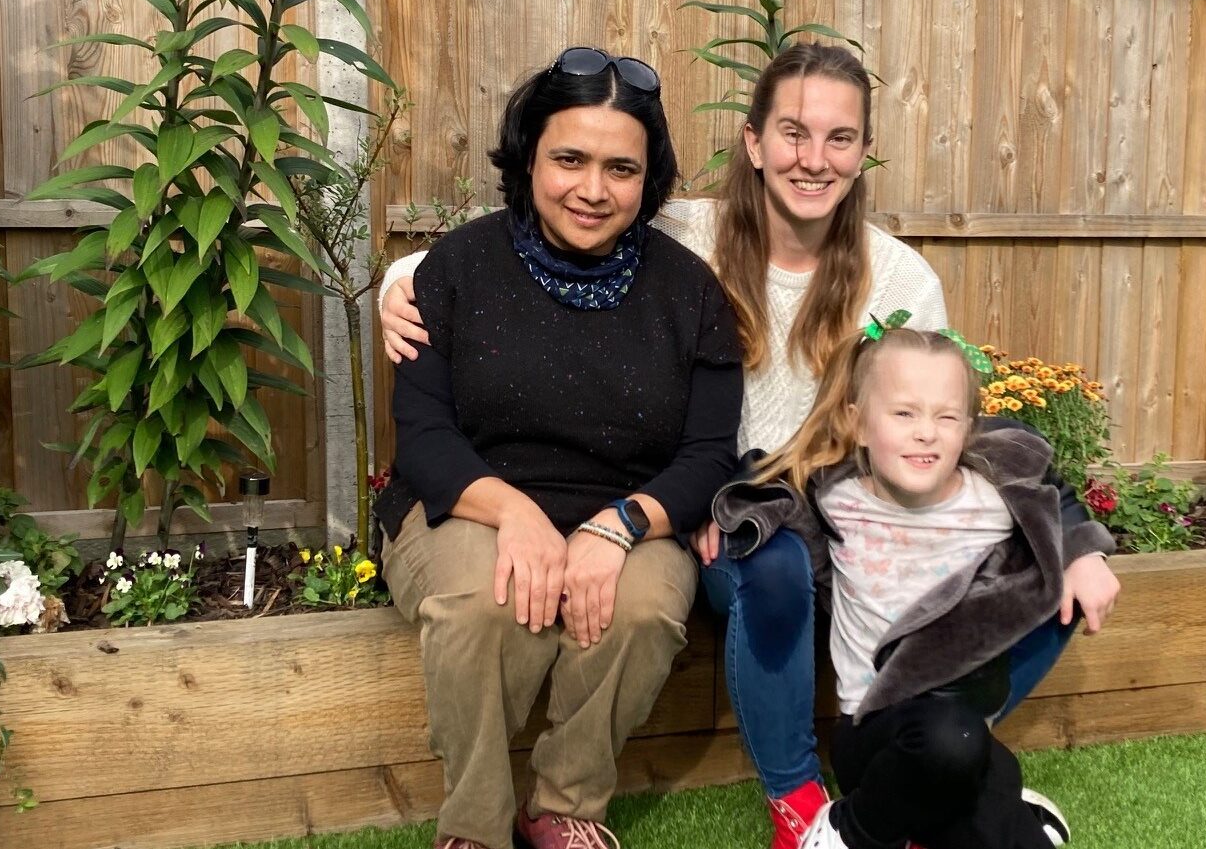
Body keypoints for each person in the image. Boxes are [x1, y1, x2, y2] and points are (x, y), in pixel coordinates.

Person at [378, 43, 1119, 849]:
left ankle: (925, 762)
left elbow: (943, 419)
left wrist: (1072, 533)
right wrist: (398, 281)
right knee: (756, 567)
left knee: (1033, 573)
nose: (814, 159)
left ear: (865, 150)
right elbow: (508, 255)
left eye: (840, 138)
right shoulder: (684, 233)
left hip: (793, 507)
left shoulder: (879, 281)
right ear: (753, 141)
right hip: (725, 516)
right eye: (794, 133)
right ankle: (787, 794)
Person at [374, 46, 743, 849]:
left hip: (631, 511)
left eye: (621, 168)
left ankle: (563, 807)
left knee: (641, 608)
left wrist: (617, 526)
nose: (592, 188)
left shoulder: (690, 293)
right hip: (466, 501)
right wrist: (518, 515)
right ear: (528, 157)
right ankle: (473, 824)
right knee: (482, 602)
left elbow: (711, 454)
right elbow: (426, 440)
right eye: (569, 159)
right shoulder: (458, 269)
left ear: (649, 180)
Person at [718, 324, 1118, 849]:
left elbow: (1049, 488)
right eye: (904, 414)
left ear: (969, 429)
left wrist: (1083, 551)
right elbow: (766, 478)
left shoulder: (995, 500)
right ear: (858, 425)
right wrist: (729, 513)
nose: (925, 432)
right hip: (875, 728)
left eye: (945, 417)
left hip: (966, 718)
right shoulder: (838, 495)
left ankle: (1012, 819)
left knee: (989, 804)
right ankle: (848, 831)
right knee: (953, 745)